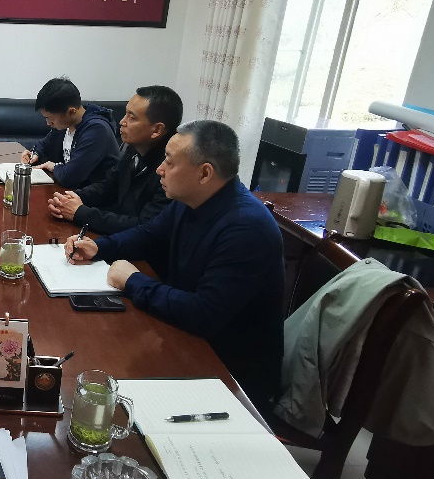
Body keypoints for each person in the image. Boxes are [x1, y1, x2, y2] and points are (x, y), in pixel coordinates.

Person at [65, 120, 284, 409]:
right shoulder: (191, 199)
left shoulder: (246, 228)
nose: (160, 169)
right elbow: (148, 234)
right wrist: (100, 247)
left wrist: (133, 280)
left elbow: (203, 313)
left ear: (204, 173)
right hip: (182, 335)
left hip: (228, 373)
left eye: (169, 161)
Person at [48, 85, 182, 234]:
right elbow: (109, 186)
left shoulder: (171, 170)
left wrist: (79, 213)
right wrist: (71, 198)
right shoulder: (134, 149)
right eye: (125, 114)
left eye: (131, 118)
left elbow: (144, 227)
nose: (122, 122)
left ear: (157, 130)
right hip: (115, 236)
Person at [22, 77, 119, 188]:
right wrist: (34, 154)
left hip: (95, 195)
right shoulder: (66, 123)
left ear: (71, 112)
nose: (48, 123)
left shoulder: (97, 130)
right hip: (71, 191)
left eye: (51, 119)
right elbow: (43, 144)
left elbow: (70, 177)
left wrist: (53, 166)